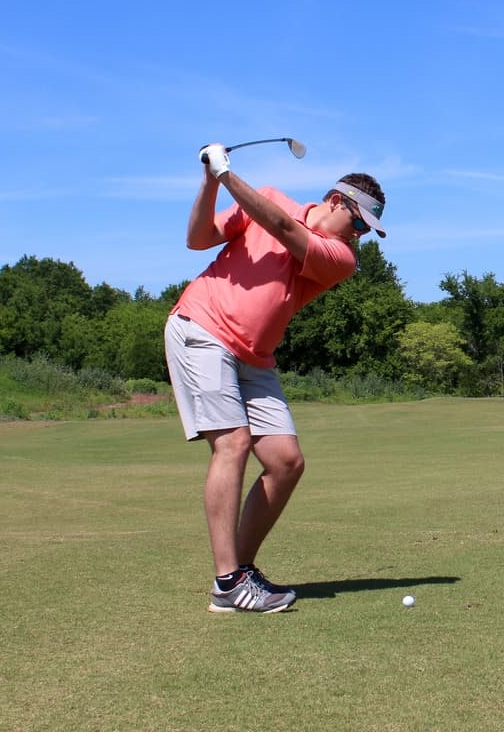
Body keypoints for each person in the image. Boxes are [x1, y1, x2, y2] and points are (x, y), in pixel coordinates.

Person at [164, 142, 387, 613]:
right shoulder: (265, 197)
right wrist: (209, 180)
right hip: (202, 328)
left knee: (286, 461)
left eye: (368, 230)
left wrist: (227, 175)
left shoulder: (340, 257)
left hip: (253, 357)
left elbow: (283, 227)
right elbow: (199, 238)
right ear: (334, 203)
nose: (361, 235)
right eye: (360, 223)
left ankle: (238, 572)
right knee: (234, 444)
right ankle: (229, 584)